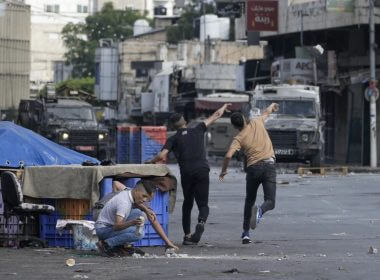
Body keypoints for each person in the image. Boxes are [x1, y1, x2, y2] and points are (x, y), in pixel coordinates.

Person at [148, 104, 231, 245]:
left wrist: (150, 162)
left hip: (187, 172)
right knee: (203, 204)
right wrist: (224, 107)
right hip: (202, 170)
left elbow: (162, 155)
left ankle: (187, 236)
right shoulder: (198, 129)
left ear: (173, 126)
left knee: (187, 204)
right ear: (185, 121)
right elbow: (215, 115)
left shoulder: (173, 139)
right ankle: (201, 222)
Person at [219, 103, 279, 244]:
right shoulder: (257, 122)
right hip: (269, 166)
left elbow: (228, 155)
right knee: (270, 201)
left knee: (249, 201)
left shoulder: (238, 138)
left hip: (253, 169)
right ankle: (260, 211)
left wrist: (223, 171)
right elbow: (266, 112)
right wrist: (271, 106)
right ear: (246, 119)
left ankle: (246, 233)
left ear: (235, 126)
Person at [95, 180, 177, 256]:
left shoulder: (128, 191)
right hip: (103, 229)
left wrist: (167, 242)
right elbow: (116, 226)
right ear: (136, 190)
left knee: (139, 213)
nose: (144, 200)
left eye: (147, 199)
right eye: (144, 196)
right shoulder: (124, 203)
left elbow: (115, 183)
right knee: (138, 233)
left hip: (108, 223)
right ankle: (105, 244)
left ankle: (122, 245)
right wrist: (132, 222)